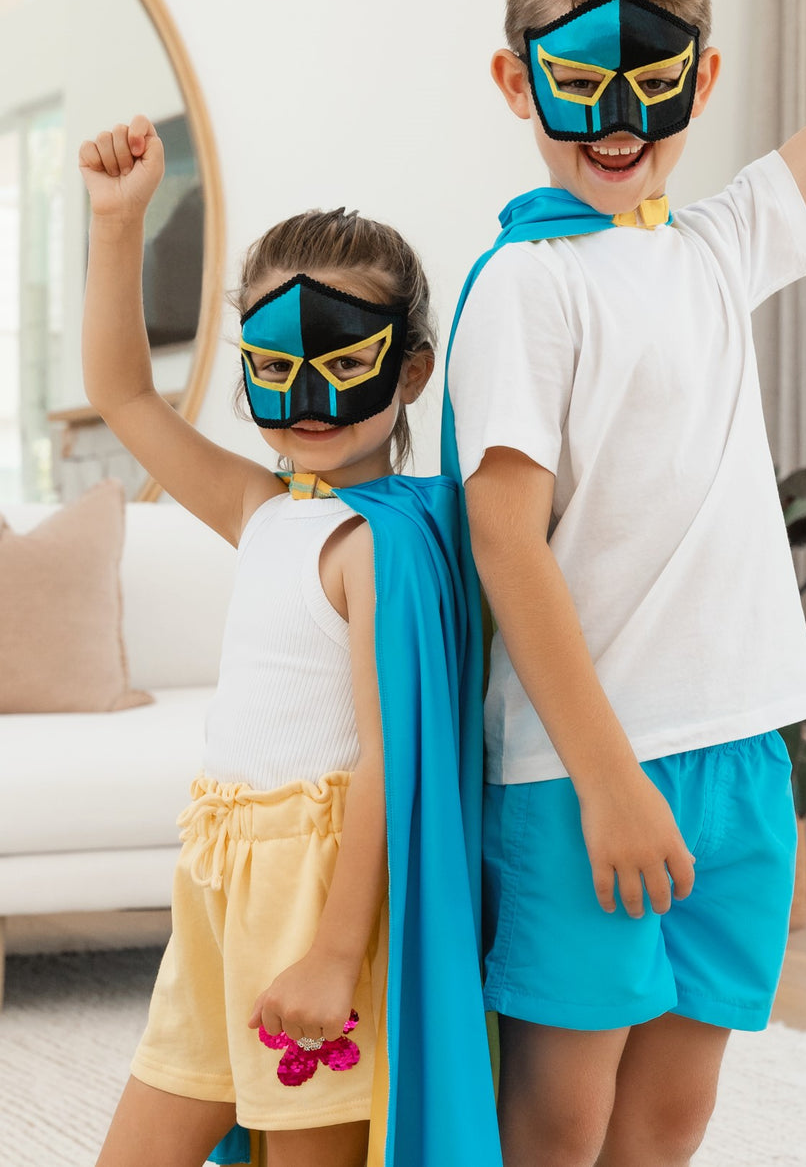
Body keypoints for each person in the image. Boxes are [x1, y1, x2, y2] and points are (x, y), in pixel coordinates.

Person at [442, 0, 806, 1164]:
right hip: (585, 766)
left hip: (737, 753)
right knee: (565, 1113)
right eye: (578, 80)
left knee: (671, 1115)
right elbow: (506, 539)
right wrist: (605, 779)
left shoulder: (716, 245)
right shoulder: (525, 288)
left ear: (700, 79)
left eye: (652, 83)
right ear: (515, 78)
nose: (615, 119)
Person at [80, 116, 501, 1167]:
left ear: (409, 372)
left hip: (320, 885)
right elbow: (125, 395)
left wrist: (330, 951)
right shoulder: (262, 506)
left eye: (343, 362)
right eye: (275, 365)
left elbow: (385, 765)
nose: (307, 400)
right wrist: (117, 224)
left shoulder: (379, 544)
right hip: (220, 862)